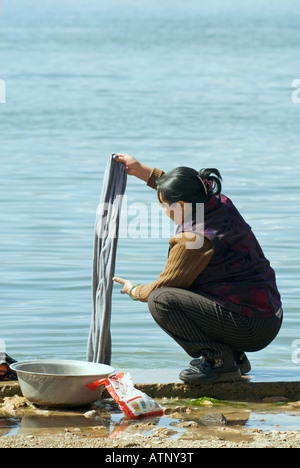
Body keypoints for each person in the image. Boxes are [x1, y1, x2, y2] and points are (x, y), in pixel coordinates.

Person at [112, 154, 282, 384]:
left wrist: (135, 291)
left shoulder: (192, 239)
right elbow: (185, 189)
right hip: (268, 315)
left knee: (161, 300)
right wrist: (143, 171)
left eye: (163, 206)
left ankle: (219, 362)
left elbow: (164, 286)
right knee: (195, 289)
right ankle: (235, 358)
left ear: (180, 205)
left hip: (251, 327)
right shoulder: (219, 203)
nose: (163, 210)